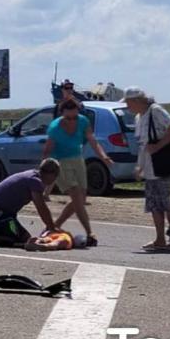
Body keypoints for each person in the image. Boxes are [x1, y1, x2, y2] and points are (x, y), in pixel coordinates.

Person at [41, 99, 112, 246]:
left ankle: (54, 225)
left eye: (75, 117)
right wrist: (44, 171)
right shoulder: (55, 128)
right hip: (61, 161)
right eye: (68, 118)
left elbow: (92, 140)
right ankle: (89, 232)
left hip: (78, 159)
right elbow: (47, 150)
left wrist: (103, 156)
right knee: (76, 196)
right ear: (62, 115)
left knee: (81, 198)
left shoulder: (83, 121)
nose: (72, 121)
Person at [124, 87, 170, 250]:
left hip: (162, 164)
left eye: (129, 103)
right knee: (154, 204)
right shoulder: (138, 117)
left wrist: (158, 146)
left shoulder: (155, 110)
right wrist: (140, 166)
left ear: (137, 101)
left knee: (165, 202)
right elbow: (143, 145)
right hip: (150, 167)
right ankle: (160, 239)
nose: (127, 106)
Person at [0, 159, 61, 246]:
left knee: (24, 237)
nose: (55, 180)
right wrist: (51, 228)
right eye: (56, 176)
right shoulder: (35, 181)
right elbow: (41, 207)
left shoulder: (32, 175)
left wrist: (49, 226)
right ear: (50, 174)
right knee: (22, 239)